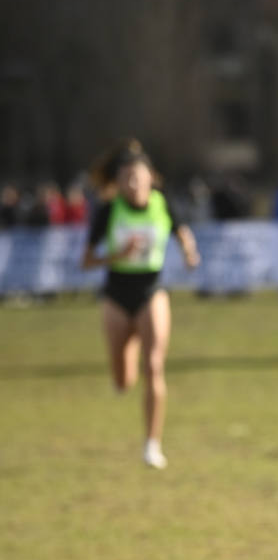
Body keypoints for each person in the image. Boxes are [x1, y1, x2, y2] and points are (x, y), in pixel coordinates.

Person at [81, 139, 200, 469]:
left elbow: (182, 231)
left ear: (150, 178)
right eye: (125, 178)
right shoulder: (108, 211)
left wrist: (189, 252)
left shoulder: (163, 203)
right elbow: (86, 261)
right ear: (117, 182)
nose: (132, 184)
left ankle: (152, 445)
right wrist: (118, 255)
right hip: (117, 296)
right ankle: (127, 348)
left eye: (137, 176)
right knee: (123, 380)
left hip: (152, 290)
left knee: (155, 366)